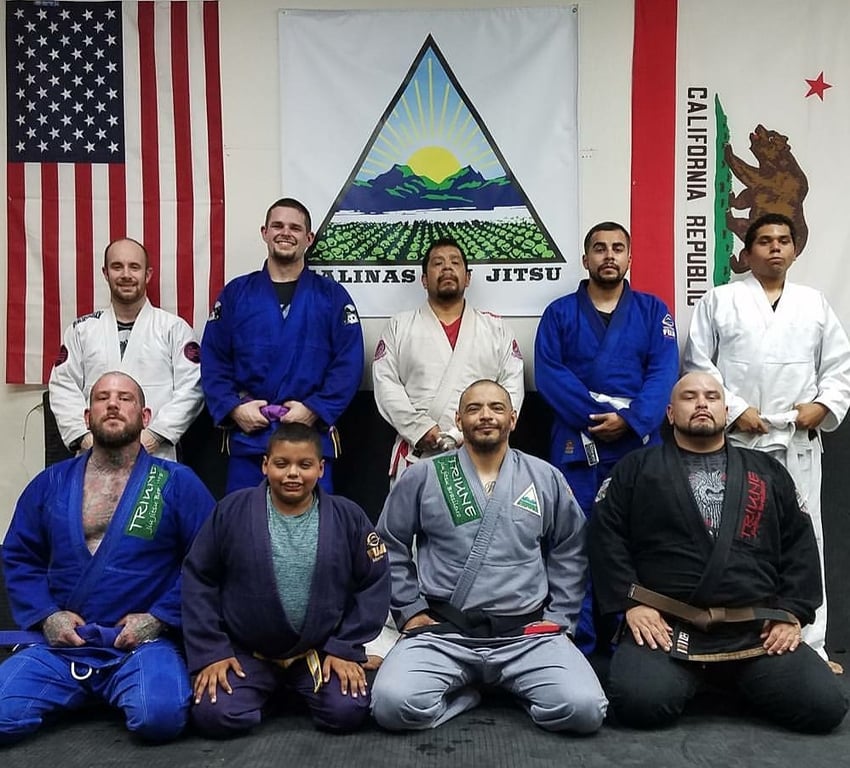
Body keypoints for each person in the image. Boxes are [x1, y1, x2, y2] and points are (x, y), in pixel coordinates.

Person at [588, 372, 848, 733]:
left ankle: (734, 682)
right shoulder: (636, 468)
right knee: (639, 703)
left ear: (726, 412)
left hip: (754, 634)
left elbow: (799, 545)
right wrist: (633, 603)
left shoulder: (767, 471)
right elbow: (606, 537)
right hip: (669, 630)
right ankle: (723, 686)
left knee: (825, 705)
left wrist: (790, 612)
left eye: (711, 397)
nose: (701, 403)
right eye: (689, 397)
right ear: (669, 413)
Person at [370, 380, 607, 734]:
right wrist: (410, 610)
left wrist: (560, 616)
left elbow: (571, 546)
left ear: (513, 419)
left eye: (496, 408)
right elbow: (389, 542)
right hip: (444, 633)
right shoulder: (426, 475)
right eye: (474, 409)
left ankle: (517, 689)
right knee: (390, 705)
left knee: (585, 710)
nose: (485, 416)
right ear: (458, 420)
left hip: (526, 634)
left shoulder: (544, 476)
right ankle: (466, 696)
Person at [0, 372, 215, 744]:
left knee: (160, 718)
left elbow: (209, 560)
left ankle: (107, 690)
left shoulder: (176, 482)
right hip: (63, 645)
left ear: (145, 417)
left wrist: (160, 618)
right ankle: (79, 689)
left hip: (140, 644)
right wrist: (47, 616)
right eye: (102, 398)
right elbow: (20, 557)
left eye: (125, 398)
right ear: (87, 417)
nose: (113, 404)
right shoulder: (50, 483)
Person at [683, 212, 850, 672]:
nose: (775, 248)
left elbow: (839, 367)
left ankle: (810, 643)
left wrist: (824, 405)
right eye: (764, 241)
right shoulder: (720, 300)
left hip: (796, 438)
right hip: (740, 439)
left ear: (794, 251)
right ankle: (734, 637)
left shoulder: (814, 303)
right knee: (733, 534)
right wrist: (736, 409)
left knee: (806, 536)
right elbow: (698, 365)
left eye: (783, 240)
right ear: (748, 252)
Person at [181, 423, 390, 736]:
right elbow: (199, 578)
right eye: (282, 464)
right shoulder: (232, 511)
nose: (293, 473)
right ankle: (268, 693)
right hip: (247, 653)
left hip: (317, 653)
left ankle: (282, 691)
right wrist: (212, 651)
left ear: (321, 468)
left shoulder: (348, 516)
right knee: (214, 714)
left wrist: (345, 648)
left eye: (305, 465)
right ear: (265, 465)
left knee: (347, 711)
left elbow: (375, 581)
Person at [534, 221, 679, 653]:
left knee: (639, 538)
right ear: (585, 259)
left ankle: (632, 637)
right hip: (577, 442)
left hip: (636, 444)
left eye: (617, 248)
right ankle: (574, 640)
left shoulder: (653, 311)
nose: (609, 255)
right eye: (599, 248)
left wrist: (631, 420)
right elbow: (549, 374)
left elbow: (663, 373)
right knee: (571, 541)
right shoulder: (559, 313)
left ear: (630, 258)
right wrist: (596, 416)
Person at [200, 197, 364, 494]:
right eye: (277, 226)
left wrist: (314, 408)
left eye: (295, 228)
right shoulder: (236, 293)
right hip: (252, 438)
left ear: (309, 238)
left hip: (309, 440)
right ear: (265, 232)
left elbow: (348, 363)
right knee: (244, 520)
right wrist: (234, 408)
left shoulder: (332, 296)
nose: (285, 233)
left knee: (312, 521)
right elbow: (214, 360)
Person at [373, 236, 524, 483]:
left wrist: (470, 430)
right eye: (438, 263)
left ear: (468, 277)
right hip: (418, 453)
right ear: (424, 279)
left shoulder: (496, 328)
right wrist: (419, 429)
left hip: (481, 450)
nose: (447, 268)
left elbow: (512, 386)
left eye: (455, 262)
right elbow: (386, 384)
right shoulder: (399, 326)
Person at [48, 238, 204, 460]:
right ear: (105, 273)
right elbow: (63, 386)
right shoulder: (81, 330)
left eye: (134, 267)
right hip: (95, 453)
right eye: (117, 267)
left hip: (154, 453)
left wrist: (155, 435)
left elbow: (192, 388)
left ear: (147, 275)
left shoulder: (174, 329)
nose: (126, 275)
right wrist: (83, 437)